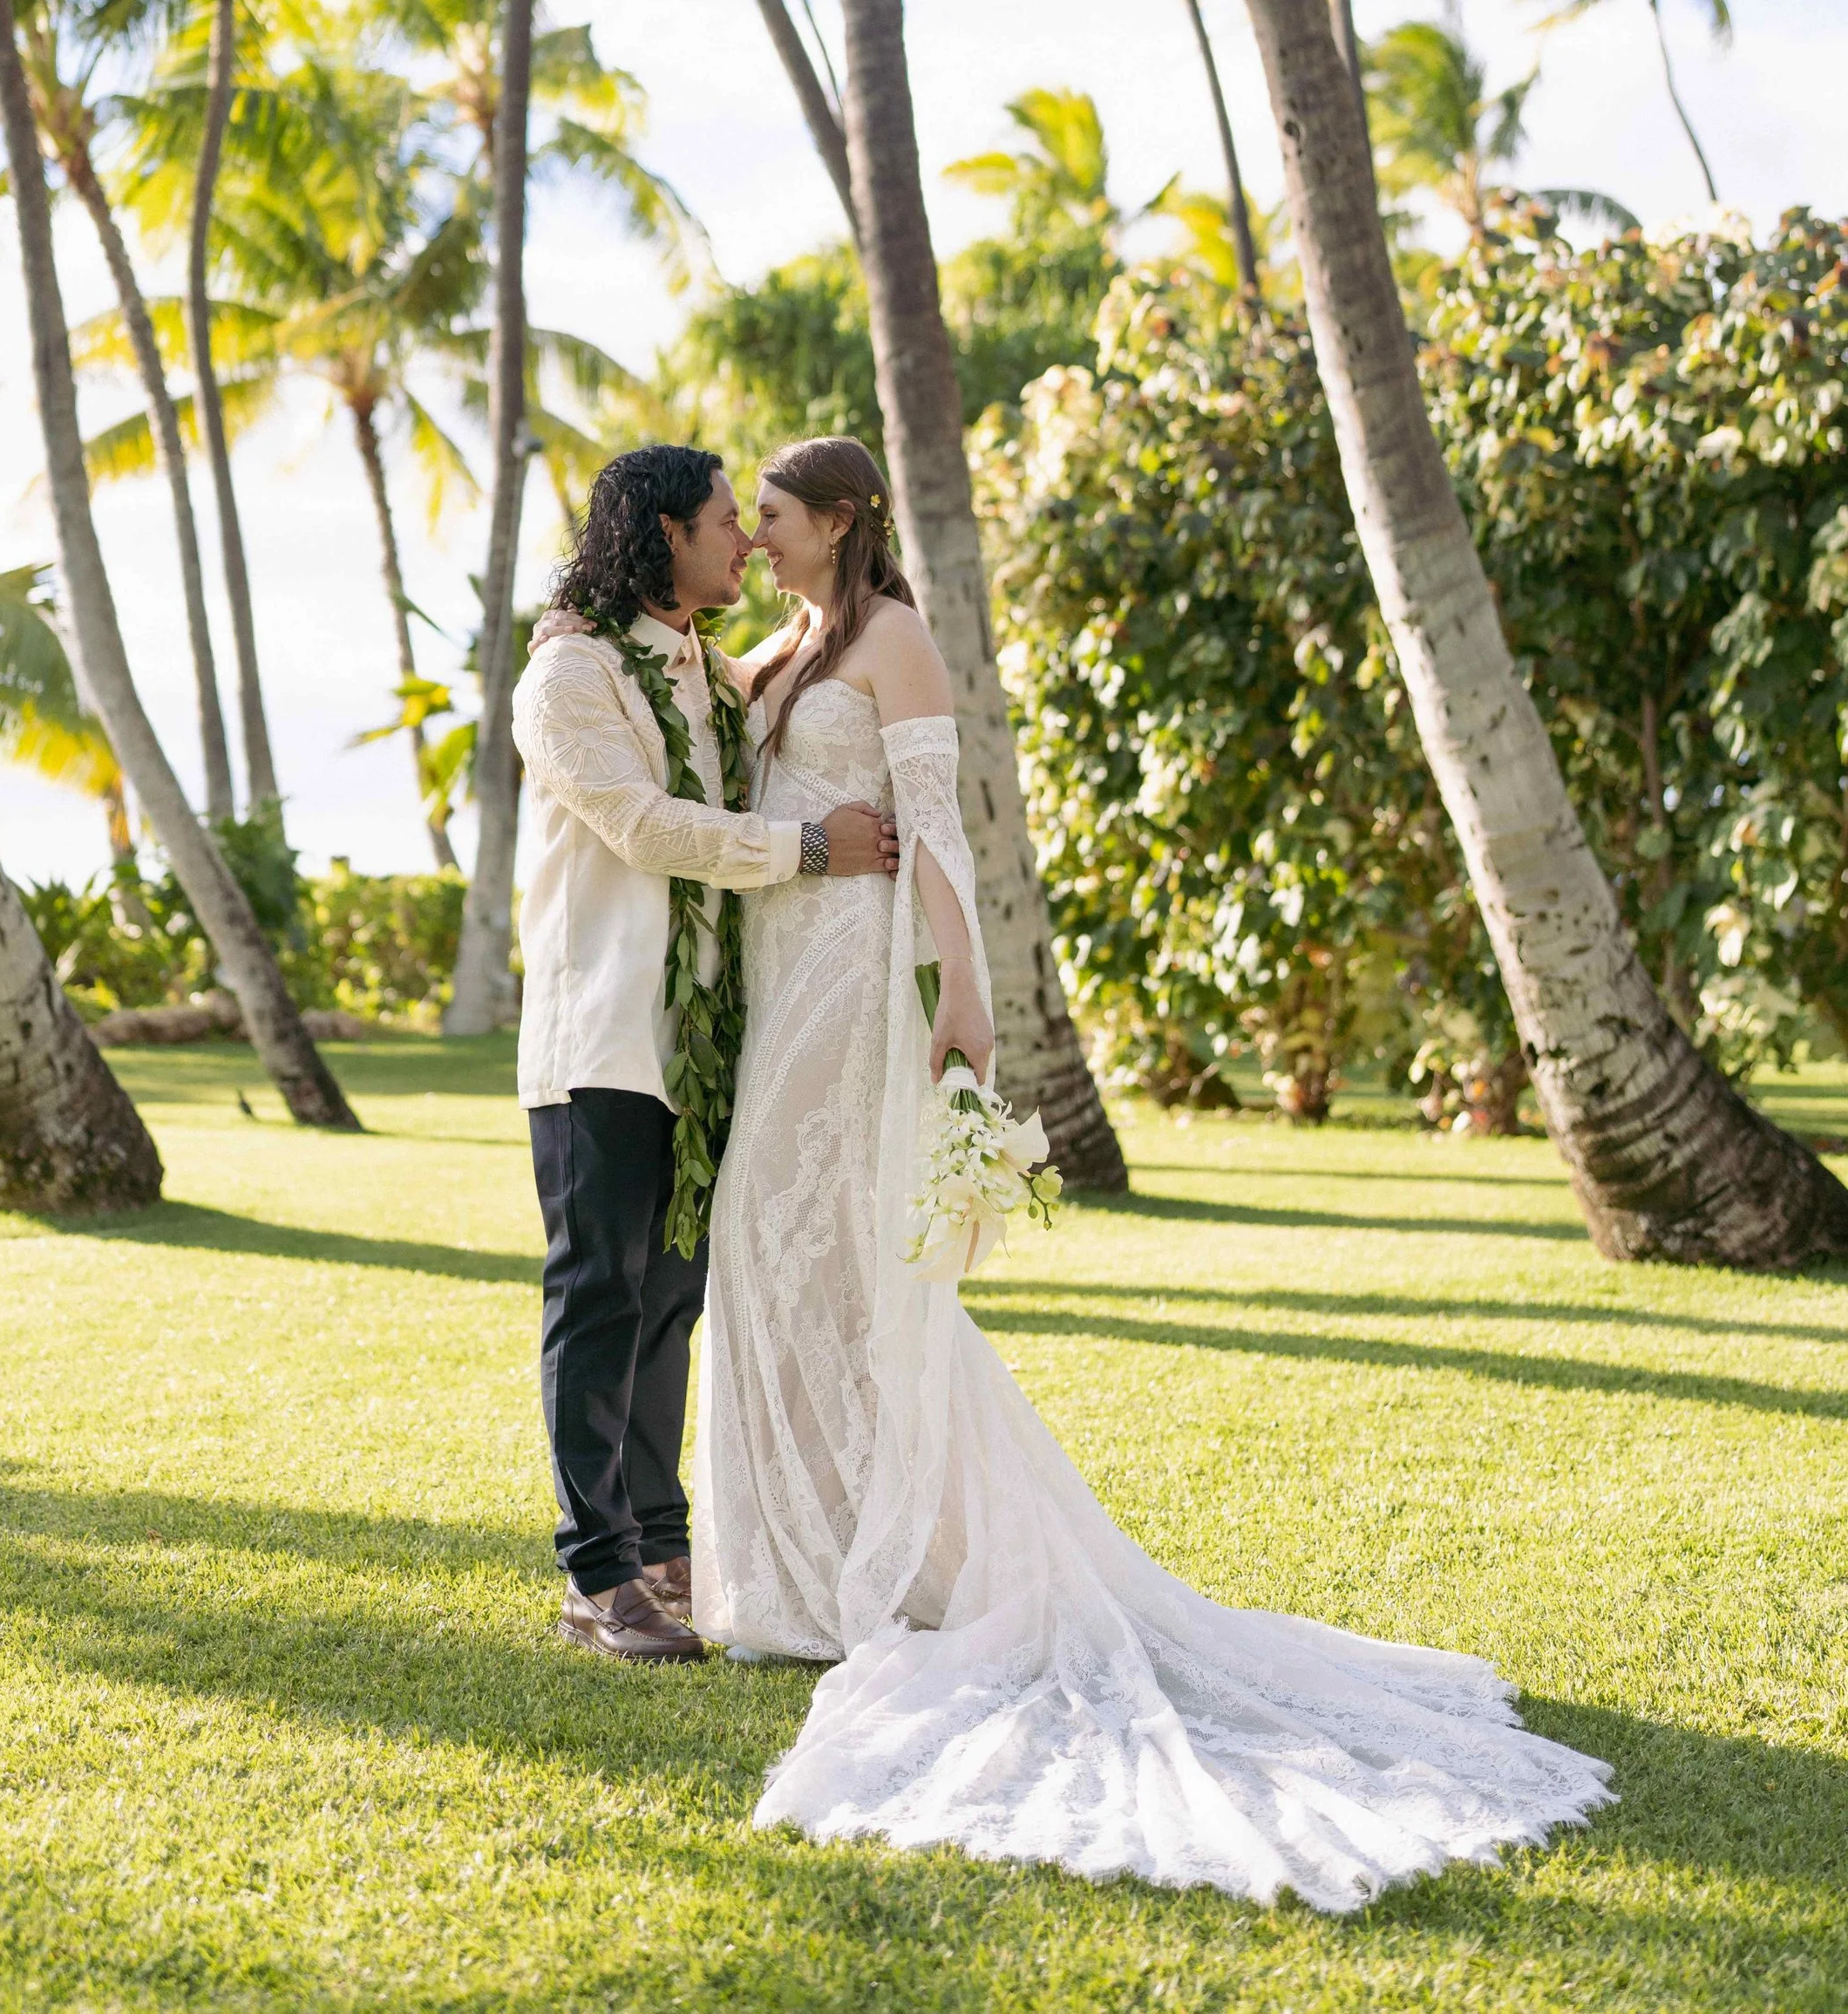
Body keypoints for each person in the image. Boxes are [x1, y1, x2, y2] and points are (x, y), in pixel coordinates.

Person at [688, 432, 1615, 1911]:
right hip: (776, 973)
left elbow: (935, 825)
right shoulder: (784, 643)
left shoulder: (894, 637)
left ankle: (901, 1564)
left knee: (847, 1267)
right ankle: (799, 1567)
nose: (763, 536)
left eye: (779, 516)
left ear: (842, 517)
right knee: (769, 1257)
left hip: (854, 986)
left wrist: (964, 996)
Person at [509, 443, 899, 1668]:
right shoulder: (571, 673)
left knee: (672, 1297)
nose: (746, 542)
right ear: (665, 532)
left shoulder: (705, 672)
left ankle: (663, 1546)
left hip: (702, 1043)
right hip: (603, 1035)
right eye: (729, 522)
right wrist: (812, 848)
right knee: (601, 1291)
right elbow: (642, 823)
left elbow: (799, 675)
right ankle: (597, 1572)